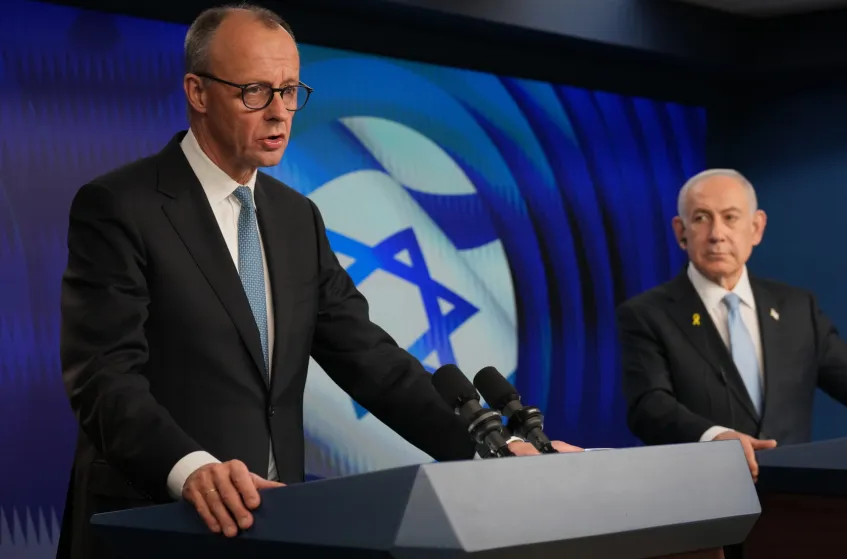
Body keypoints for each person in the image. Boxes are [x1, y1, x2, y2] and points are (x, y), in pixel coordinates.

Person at [56, 6, 580, 558]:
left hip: (274, 525)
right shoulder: (120, 206)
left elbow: (372, 361)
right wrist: (191, 469)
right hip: (151, 526)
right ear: (198, 92)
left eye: (289, 91)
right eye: (255, 92)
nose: (279, 113)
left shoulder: (295, 218)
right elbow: (103, 376)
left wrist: (493, 453)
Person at [617, 168, 847, 482]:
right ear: (681, 231)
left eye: (730, 217)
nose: (716, 233)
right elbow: (650, 405)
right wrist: (714, 437)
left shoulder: (797, 309)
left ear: (756, 228)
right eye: (701, 218)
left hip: (792, 502)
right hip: (702, 498)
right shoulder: (648, 314)